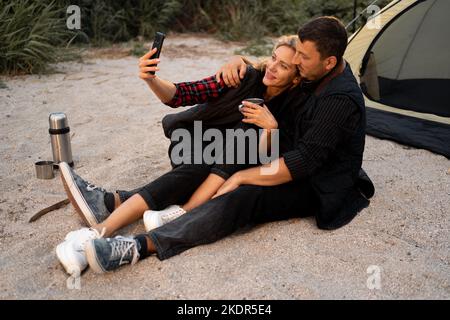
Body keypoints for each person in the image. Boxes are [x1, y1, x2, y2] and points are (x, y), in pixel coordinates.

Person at [57, 16, 375, 275]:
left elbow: (304, 161)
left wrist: (241, 176)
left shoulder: (337, 98)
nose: (297, 64)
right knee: (211, 162)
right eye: (295, 57)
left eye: (303, 59)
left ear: (330, 61)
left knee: (244, 193)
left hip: (317, 184)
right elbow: (198, 91)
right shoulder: (309, 74)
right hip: (271, 154)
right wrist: (240, 61)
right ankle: (105, 218)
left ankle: (139, 246)